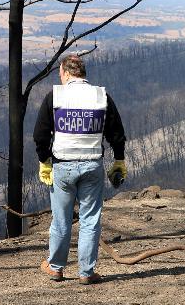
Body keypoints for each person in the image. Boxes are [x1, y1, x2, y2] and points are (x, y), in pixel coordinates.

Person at [33, 55, 127, 285]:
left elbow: (40, 134)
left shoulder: (55, 96)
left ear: (65, 73)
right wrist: (119, 160)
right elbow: (116, 133)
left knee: (61, 220)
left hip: (63, 165)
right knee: (90, 220)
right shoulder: (100, 96)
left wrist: (44, 160)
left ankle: (55, 268)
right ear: (83, 74)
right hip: (92, 164)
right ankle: (86, 272)